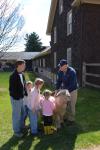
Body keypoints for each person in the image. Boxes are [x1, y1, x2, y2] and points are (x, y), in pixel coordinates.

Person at [56, 59, 78, 125]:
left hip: (72, 90)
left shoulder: (72, 72)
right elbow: (59, 81)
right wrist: (57, 89)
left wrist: (65, 91)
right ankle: (65, 117)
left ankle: (71, 120)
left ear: (65, 66)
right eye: (59, 66)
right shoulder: (60, 71)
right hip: (64, 89)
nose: (59, 67)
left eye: (61, 66)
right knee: (64, 104)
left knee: (71, 104)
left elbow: (72, 84)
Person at [9, 60, 27, 137]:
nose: (25, 66)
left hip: (21, 97)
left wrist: (25, 93)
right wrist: (17, 98)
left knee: (23, 113)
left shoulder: (22, 75)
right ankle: (16, 131)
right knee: (16, 115)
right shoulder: (13, 76)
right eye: (24, 65)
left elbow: (23, 85)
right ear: (19, 66)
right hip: (16, 98)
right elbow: (12, 89)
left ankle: (22, 126)